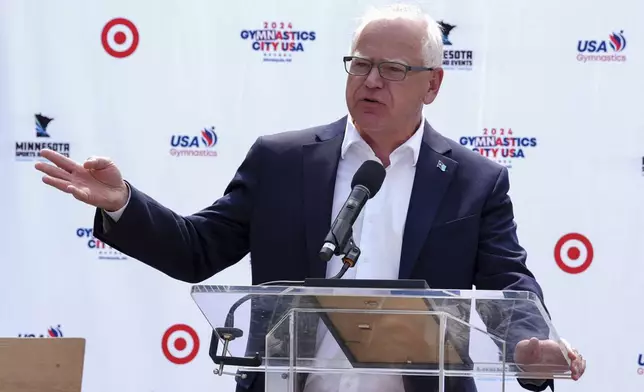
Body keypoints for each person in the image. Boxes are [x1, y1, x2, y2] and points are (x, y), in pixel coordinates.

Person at [35, 4, 585, 392]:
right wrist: (121, 203)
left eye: (393, 70)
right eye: (361, 64)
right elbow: (197, 250)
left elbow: (509, 284)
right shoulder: (281, 160)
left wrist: (532, 346)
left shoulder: (474, 179)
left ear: (433, 85)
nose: (371, 81)